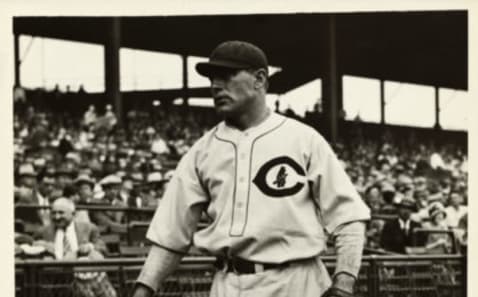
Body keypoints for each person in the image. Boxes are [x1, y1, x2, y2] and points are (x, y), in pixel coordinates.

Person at [132, 41, 370, 297]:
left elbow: (348, 217)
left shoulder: (303, 139)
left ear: (259, 79)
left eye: (227, 75)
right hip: (228, 283)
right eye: (212, 78)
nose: (215, 85)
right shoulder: (201, 151)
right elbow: (170, 234)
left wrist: (343, 284)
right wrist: (143, 289)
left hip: (297, 281)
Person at [33, 197, 117, 297]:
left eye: (61, 213)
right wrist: (43, 247)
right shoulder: (43, 232)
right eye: (53, 213)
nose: (57, 217)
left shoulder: (88, 228)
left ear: (73, 214)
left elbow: (102, 247)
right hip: (56, 277)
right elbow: (34, 248)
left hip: (83, 274)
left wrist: (90, 247)